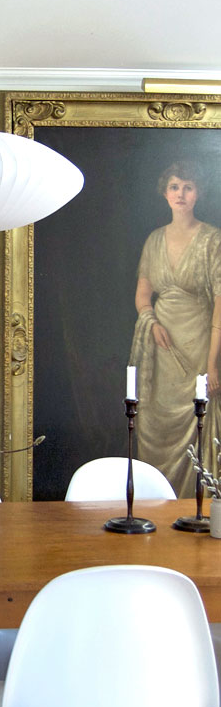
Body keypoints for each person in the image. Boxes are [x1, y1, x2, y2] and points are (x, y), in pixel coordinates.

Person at [129, 160, 221, 497]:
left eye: (188, 187)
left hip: (199, 343)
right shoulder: (154, 240)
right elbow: (143, 296)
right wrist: (152, 322)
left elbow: (220, 301)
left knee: (200, 417)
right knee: (155, 423)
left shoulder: (212, 240)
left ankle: (198, 506)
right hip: (162, 347)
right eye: (174, 187)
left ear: (198, 193)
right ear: (165, 193)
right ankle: (155, 500)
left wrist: (212, 363)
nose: (180, 193)